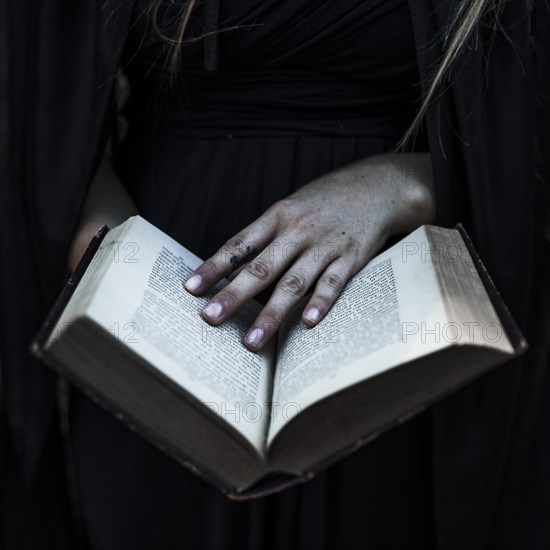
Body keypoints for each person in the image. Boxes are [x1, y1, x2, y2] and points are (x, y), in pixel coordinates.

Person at [2, 0, 549, 548]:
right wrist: (110, 269)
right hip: (154, 361)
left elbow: (524, 129)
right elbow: (44, 120)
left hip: (396, 356)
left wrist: (409, 185)